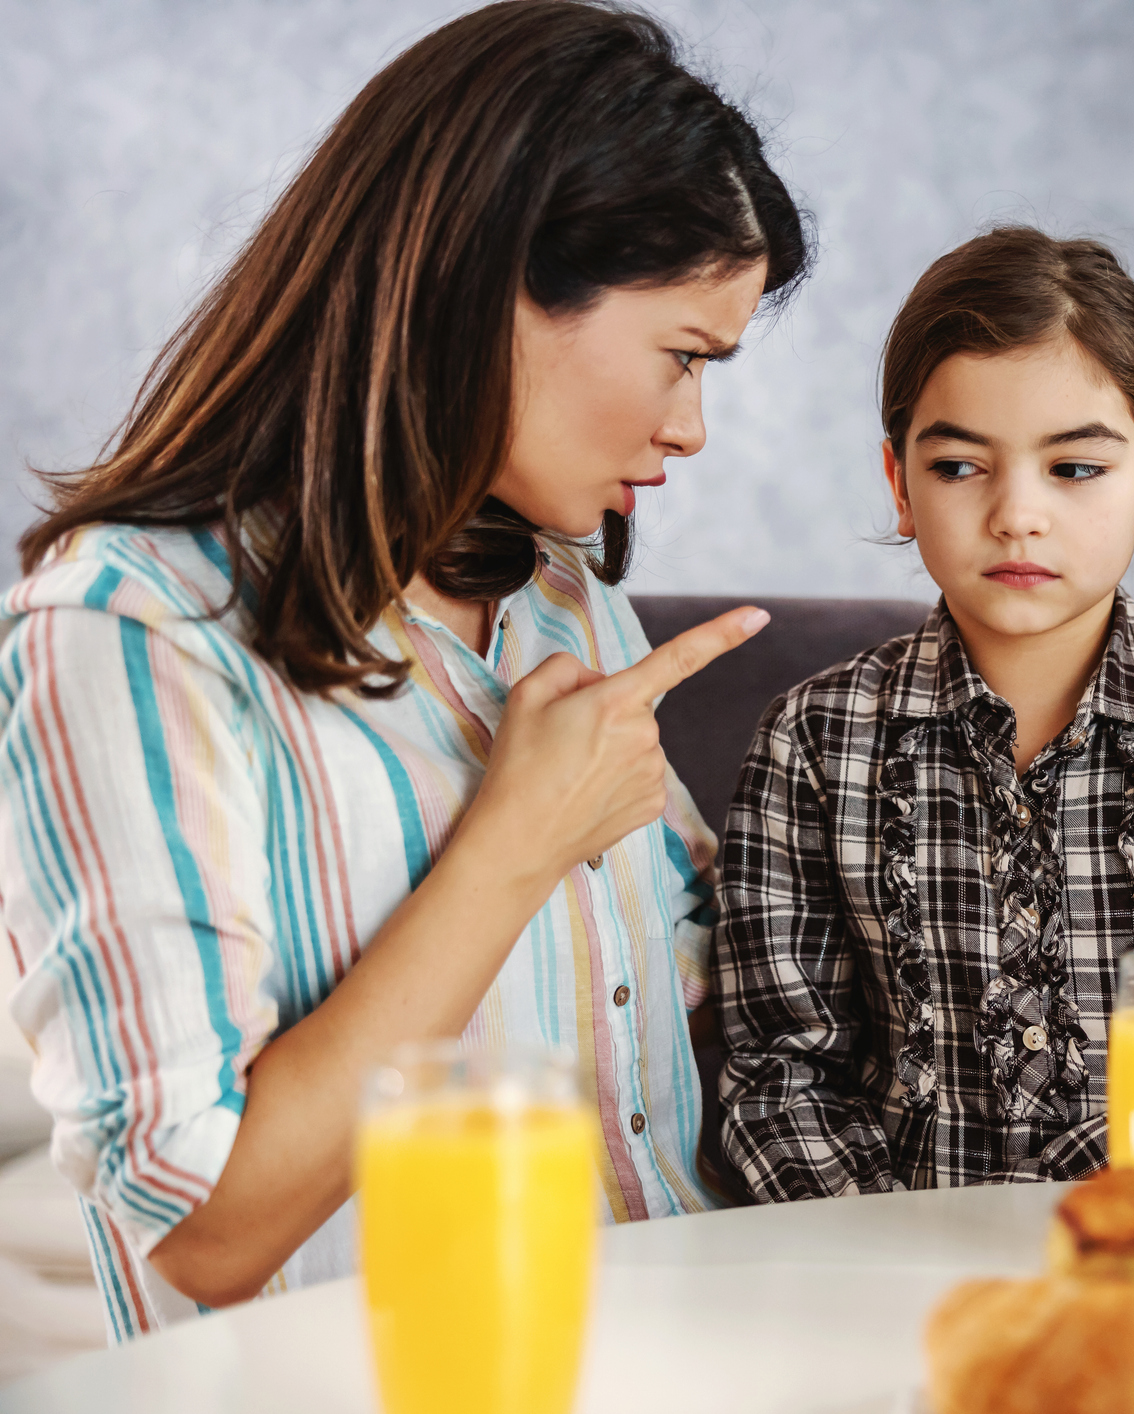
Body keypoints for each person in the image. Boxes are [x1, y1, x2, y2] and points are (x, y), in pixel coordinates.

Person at [0, 1, 807, 1335]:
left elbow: (714, 995)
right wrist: (512, 845)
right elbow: (203, 1224)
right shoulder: (128, 631)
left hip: (681, 1343)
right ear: (491, 284)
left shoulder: (558, 600)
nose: (692, 426)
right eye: (681, 355)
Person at [716, 227, 1134, 1198]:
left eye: (1075, 468)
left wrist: (1071, 1216)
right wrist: (899, 1254)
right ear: (899, 484)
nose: (1017, 512)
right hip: (876, 1282)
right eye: (961, 466)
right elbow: (779, 1077)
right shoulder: (810, 737)